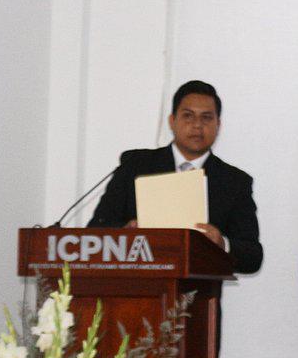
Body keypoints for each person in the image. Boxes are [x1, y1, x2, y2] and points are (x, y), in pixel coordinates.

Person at [88, 80, 262, 274]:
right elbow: (94, 232)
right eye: (188, 116)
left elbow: (253, 256)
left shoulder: (234, 182)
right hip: (136, 292)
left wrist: (222, 243)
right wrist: (124, 234)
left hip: (201, 297)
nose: (197, 125)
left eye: (206, 118)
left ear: (218, 125)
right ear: (172, 121)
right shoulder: (136, 165)